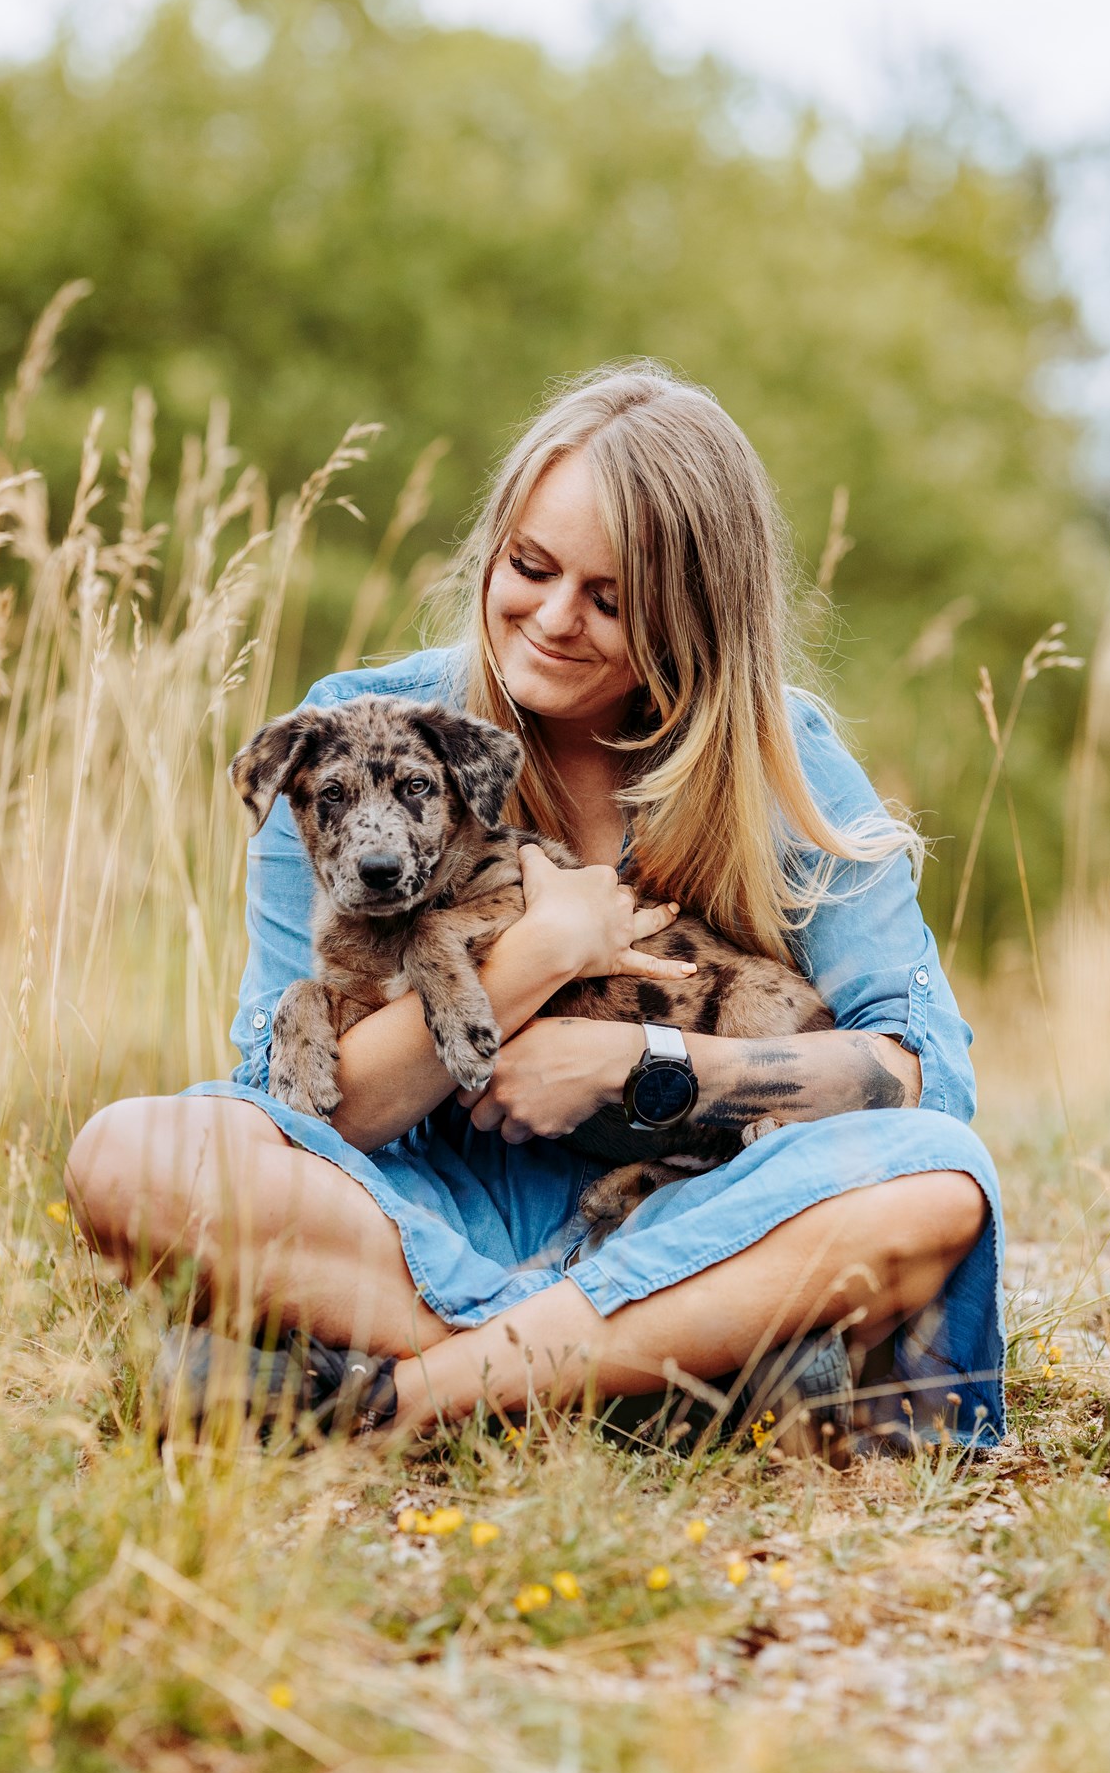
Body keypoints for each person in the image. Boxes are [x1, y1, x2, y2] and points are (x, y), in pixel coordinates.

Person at [65, 362, 1003, 1450]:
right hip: (425, 1214)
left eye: (611, 599)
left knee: (938, 1184)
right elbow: (295, 1113)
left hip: (694, 1209)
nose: (554, 618)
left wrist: (637, 1066)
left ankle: (411, 1395)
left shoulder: (776, 757)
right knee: (130, 1155)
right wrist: (538, 957)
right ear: (496, 546)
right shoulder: (342, 738)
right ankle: (661, 1370)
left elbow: (922, 1078)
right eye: (530, 566)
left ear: (693, 612)